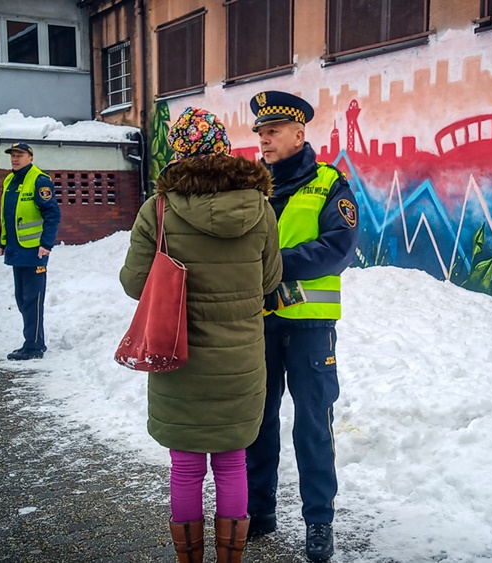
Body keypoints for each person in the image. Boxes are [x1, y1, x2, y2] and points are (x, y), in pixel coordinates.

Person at [120, 107, 282, 563]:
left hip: (179, 359)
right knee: (233, 463)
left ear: (179, 152)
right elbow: (270, 280)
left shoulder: (160, 210)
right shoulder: (260, 207)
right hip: (241, 363)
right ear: (224, 148)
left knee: (186, 468)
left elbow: (134, 283)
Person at [245, 91, 360, 562]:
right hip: (261, 324)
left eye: (272, 132)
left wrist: (275, 264)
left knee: (313, 424)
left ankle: (319, 523)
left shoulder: (330, 183)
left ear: (299, 133)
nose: (264, 140)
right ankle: (260, 511)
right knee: (259, 422)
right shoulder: (252, 188)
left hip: (311, 326)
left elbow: (339, 248)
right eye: (260, 133)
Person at [0, 142, 60, 361]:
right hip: (16, 250)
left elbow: (52, 214)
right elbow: (7, 214)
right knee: (22, 299)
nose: (15, 159)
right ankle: (32, 340)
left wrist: (46, 244)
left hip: (36, 251)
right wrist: (2, 240)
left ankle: (34, 346)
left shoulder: (40, 181)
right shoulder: (10, 180)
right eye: (13, 155)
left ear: (30, 158)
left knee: (33, 299)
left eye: (20, 155)